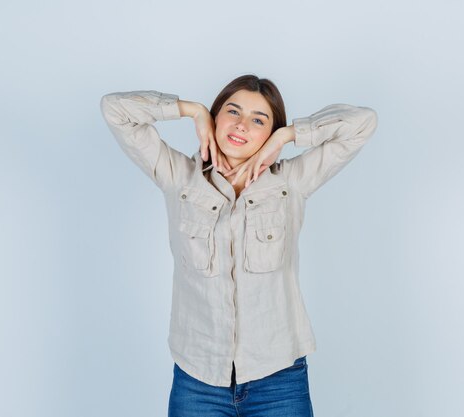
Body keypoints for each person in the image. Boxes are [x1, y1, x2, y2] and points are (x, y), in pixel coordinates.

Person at [100, 74, 378, 417]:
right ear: (216, 118)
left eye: (258, 120)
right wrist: (192, 110)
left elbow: (363, 123)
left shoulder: (290, 183)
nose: (241, 125)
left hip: (279, 380)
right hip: (198, 381)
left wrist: (289, 135)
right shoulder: (178, 176)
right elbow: (115, 109)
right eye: (232, 111)